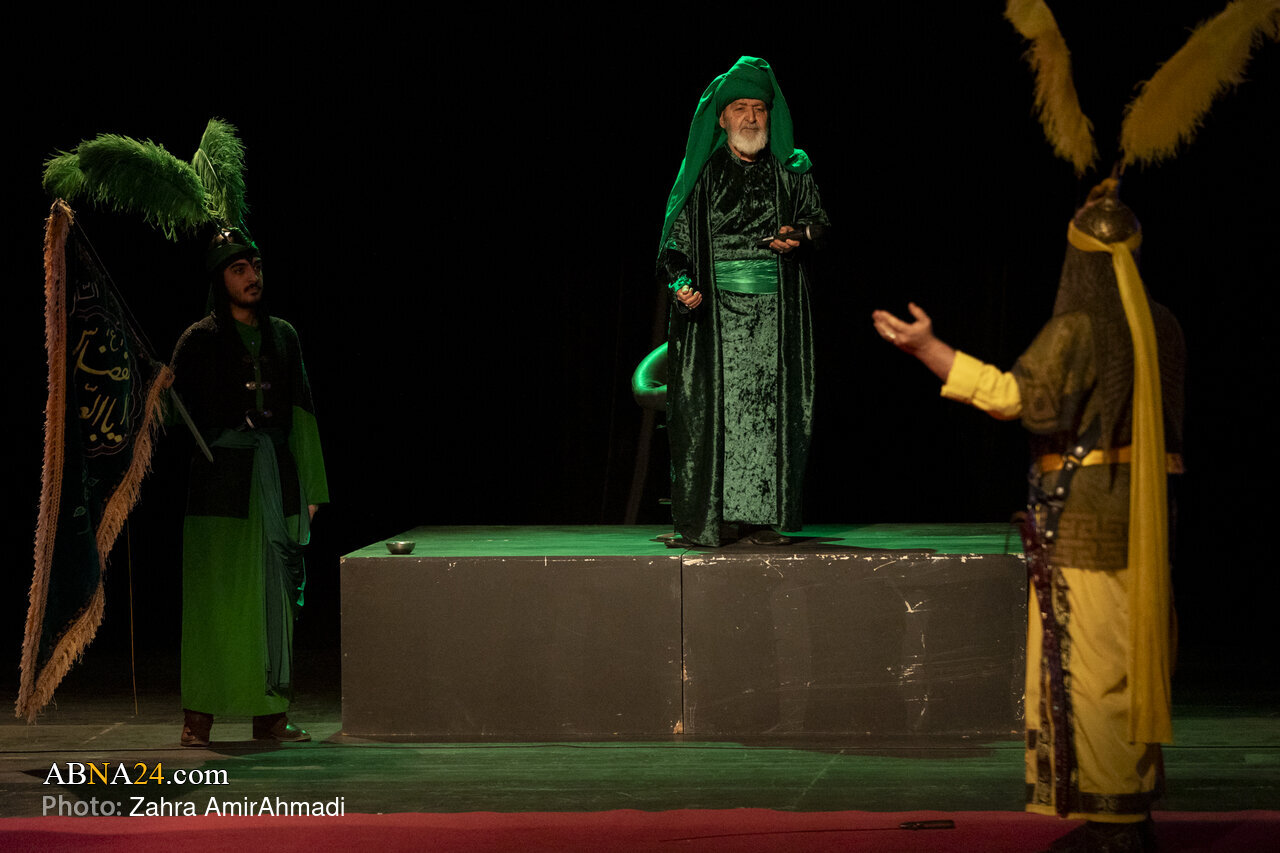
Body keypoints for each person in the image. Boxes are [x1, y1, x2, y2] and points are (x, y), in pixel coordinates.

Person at [872, 180, 1183, 851]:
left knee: (1094, 673)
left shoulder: (1080, 327)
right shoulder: (1163, 324)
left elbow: (1017, 400)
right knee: (1128, 665)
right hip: (1146, 523)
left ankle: (1116, 828)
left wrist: (928, 350)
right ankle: (1125, 812)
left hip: (1088, 525)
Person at [658, 56, 829, 547]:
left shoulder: (790, 172)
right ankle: (714, 518)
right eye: (740, 108)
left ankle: (764, 518)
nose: (751, 118)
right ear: (722, 118)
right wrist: (682, 284)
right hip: (715, 320)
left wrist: (798, 236)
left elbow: (820, 225)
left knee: (769, 418)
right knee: (716, 421)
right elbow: (674, 246)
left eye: (759, 108)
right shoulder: (702, 175)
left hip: (775, 318)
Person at [170, 229, 329, 747]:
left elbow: (301, 411)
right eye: (239, 269)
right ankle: (199, 718)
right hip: (220, 488)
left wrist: (312, 489)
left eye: (255, 266)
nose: (252, 277)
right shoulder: (198, 340)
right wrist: (160, 392)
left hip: (277, 480)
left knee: (276, 599)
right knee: (213, 604)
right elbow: (174, 417)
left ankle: (271, 716)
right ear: (220, 280)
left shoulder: (283, 335)